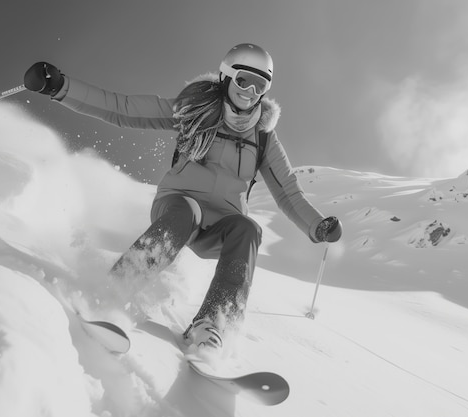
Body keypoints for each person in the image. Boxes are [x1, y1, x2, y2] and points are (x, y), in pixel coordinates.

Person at [24, 43, 342, 352]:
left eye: (260, 86)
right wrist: (61, 87)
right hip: (179, 204)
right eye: (244, 80)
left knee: (248, 229)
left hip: (222, 224)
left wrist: (317, 225)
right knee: (184, 213)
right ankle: (111, 293)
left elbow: (287, 189)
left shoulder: (262, 136)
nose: (250, 92)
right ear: (227, 77)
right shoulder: (195, 109)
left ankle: (213, 326)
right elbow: (123, 109)